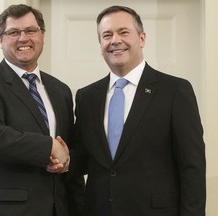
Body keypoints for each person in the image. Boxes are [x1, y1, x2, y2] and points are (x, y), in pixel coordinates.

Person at [72, 5, 206, 216]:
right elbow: (82, 158)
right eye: (107, 35)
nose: (115, 40)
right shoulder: (86, 97)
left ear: (142, 38)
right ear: (100, 44)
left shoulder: (175, 91)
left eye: (124, 32)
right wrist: (54, 155)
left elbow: (192, 167)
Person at [0, 4, 85, 216]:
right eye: (13, 32)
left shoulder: (61, 90)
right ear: (0, 40)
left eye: (30, 30)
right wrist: (47, 147)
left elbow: (70, 147)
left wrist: (66, 162)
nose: (23, 38)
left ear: (42, 35)